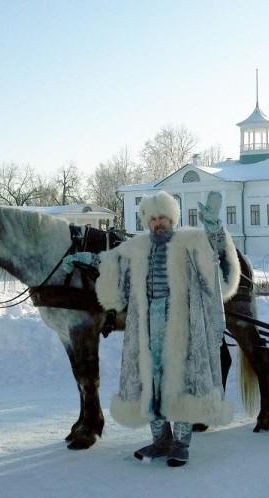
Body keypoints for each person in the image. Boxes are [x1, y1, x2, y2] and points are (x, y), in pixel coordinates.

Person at [95, 190, 240, 467]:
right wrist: (90, 261)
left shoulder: (191, 241)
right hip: (147, 325)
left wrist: (214, 229)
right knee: (152, 381)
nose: (158, 223)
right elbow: (112, 262)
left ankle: (181, 443)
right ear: (146, 221)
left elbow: (217, 264)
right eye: (153, 218)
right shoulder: (138, 246)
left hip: (181, 324)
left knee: (181, 379)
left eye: (163, 217)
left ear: (173, 219)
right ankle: (161, 440)